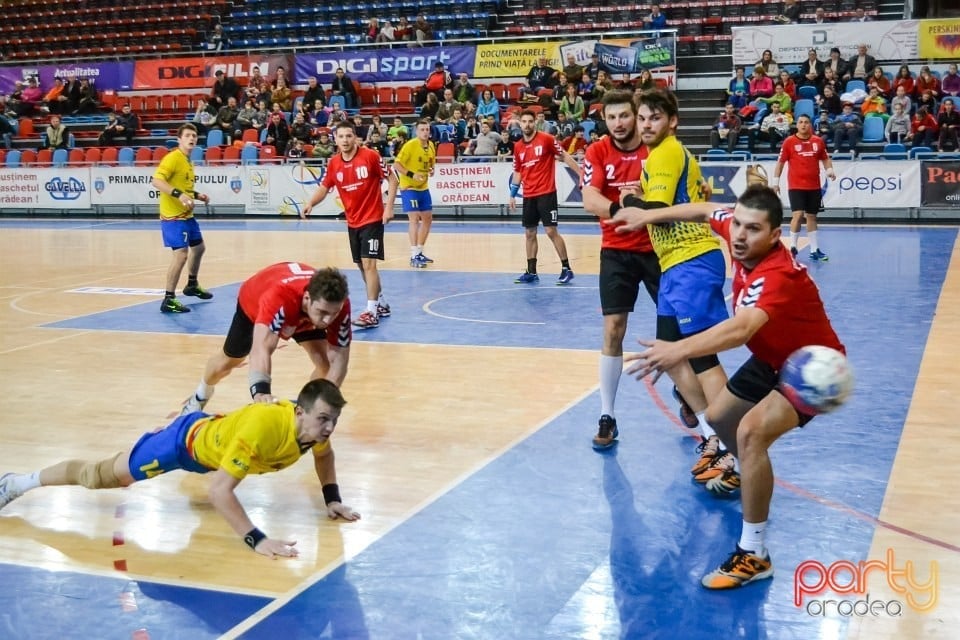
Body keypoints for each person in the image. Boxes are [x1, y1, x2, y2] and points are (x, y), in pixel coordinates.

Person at [608, 184, 845, 590]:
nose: (738, 235)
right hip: (772, 358)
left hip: (813, 367)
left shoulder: (777, 274)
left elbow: (741, 329)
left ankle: (755, 553)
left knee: (751, 433)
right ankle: (746, 472)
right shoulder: (735, 229)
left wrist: (677, 350)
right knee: (718, 418)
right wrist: (647, 217)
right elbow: (703, 210)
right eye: (736, 224)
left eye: (752, 229)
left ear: (775, 236)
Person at [0, 379, 360, 558]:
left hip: (212, 442)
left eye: (334, 420)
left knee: (214, 451)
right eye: (324, 419)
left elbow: (324, 455)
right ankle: (18, 482)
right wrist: (257, 540)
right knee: (99, 476)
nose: (329, 428)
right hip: (181, 447)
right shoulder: (265, 429)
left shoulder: (312, 432)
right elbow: (219, 491)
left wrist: (332, 499)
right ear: (300, 412)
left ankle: (183, 416)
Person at [617, 88, 731, 479]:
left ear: (672, 122)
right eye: (642, 118)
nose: (646, 125)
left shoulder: (666, 151)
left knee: (701, 357)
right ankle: (709, 435)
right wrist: (641, 195)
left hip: (691, 261)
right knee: (671, 354)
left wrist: (632, 206)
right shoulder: (662, 156)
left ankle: (729, 446)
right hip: (675, 266)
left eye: (654, 118)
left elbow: (661, 214)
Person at [581, 91, 663, 450]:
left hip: (660, 249)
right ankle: (607, 414)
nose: (619, 123)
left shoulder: (656, 149)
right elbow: (589, 199)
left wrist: (644, 205)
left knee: (676, 329)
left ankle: (689, 396)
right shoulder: (597, 151)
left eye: (624, 116)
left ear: (637, 116)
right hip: (616, 250)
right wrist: (623, 209)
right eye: (611, 117)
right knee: (613, 330)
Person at [180, 264, 351, 414]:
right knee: (226, 363)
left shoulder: (336, 306)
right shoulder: (279, 297)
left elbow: (340, 361)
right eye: (323, 312)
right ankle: (199, 396)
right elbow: (261, 349)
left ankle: (304, 410)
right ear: (307, 298)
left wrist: (323, 404)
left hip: (302, 312)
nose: (328, 320)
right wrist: (261, 392)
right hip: (254, 305)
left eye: (333, 313)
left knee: (325, 365)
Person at [301, 122, 392, 329]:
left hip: (372, 219)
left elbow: (392, 178)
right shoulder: (334, 163)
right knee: (361, 265)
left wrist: (388, 208)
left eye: (349, 136)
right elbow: (325, 187)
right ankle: (381, 302)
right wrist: (310, 203)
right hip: (353, 221)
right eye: (341, 136)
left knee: (369, 264)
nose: (345, 140)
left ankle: (371, 312)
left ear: (355, 137)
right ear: (336, 139)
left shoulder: (370, 156)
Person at [508, 109, 580, 285]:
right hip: (529, 195)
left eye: (530, 121)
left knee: (551, 231)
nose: (527, 124)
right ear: (520, 124)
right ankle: (531, 271)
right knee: (529, 233)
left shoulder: (546, 139)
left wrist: (581, 174)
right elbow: (518, 171)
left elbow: (564, 156)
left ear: (535, 123)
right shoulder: (518, 147)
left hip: (547, 193)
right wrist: (511, 194)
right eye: (524, 121)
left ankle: (566, 268)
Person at [150, 124, 212, 314]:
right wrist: (179, 195)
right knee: (181, 255)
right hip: (173, 217)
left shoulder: (187, 161)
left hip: (187, 216)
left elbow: (184, 188)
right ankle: (168, 299)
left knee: (199, 248)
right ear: (179, 139)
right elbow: (156, 181)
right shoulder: (173, 158)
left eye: (194, 136)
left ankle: (192, 284)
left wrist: (196, 194)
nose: (191, 138)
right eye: (187, 136)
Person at [772, 114, 836, 261]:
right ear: (797, 125)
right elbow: (780, 163)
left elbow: (825, 158)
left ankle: (814, 250)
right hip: (796, 186)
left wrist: (829, 170)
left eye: (806, 122)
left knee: (812, 216)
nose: (803, 125)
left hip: (814, 186)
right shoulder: (789, 142)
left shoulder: (817, 141)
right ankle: (793, 247)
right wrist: (775, 182)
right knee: (798, 215)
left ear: (810, 125)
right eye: (800, 122)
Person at [393, 119, 437, 268]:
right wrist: (412, 175)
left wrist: (431, 170)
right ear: (417, 132)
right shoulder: (410, 145)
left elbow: (431, 164)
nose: (425, 132)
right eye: (422, 129)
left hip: (423, 187)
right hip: (409, 187)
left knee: (428, 219)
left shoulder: (431, 146)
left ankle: (419, 251)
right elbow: (397, 164)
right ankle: (413, 255)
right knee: (414, 218)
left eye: (427, 129)